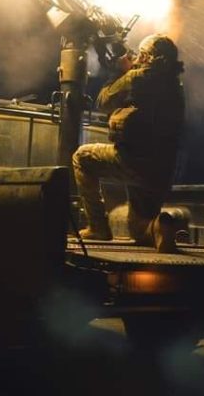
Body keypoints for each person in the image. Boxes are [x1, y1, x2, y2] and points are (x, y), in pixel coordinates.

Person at [73, 34, 185, 252]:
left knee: (82, 157)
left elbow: (103, 102)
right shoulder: (175, 84)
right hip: (162, 170)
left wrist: (118, 71)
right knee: (138, 229)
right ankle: (158, 228)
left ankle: (97, 227)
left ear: (146, 57)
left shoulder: (137, 78)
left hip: (134, 162)